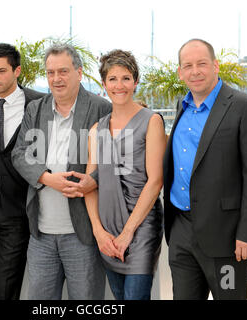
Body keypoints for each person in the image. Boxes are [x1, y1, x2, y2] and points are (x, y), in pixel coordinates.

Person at [163, 39, 247, 300]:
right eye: (187, 65)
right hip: (181, 231)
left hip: (226, 238)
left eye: (201, 64)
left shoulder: (246, 107)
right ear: (180, 72)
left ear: (215, 66)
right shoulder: (182, 106)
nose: (195, 71)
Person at [12, 43, 111, 300]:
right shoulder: (36, 109)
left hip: (84, 234)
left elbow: (114, 162)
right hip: (41, 234)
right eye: (51, 72)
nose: (56, 79)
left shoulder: (101, 108)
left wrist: (93, 181)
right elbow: (19, 154)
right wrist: (47, 178)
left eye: (63, 71)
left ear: (79, 73)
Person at [84, 50, 165, 300]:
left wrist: (128, 232)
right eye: (112, 79)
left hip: (141, 227)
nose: (119, 85)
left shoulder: (151, 121)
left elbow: (156, 180)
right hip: (108, 230)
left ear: (136, 81)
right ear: (104, 83)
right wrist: (99, 231)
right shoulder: (96, 129)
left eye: (126, 78)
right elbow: (90, 185)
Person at [0, 43, 44, 300]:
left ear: (17, 71)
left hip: (19, 205)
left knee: (7, 285)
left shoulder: (37, 102)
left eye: (1, 71)